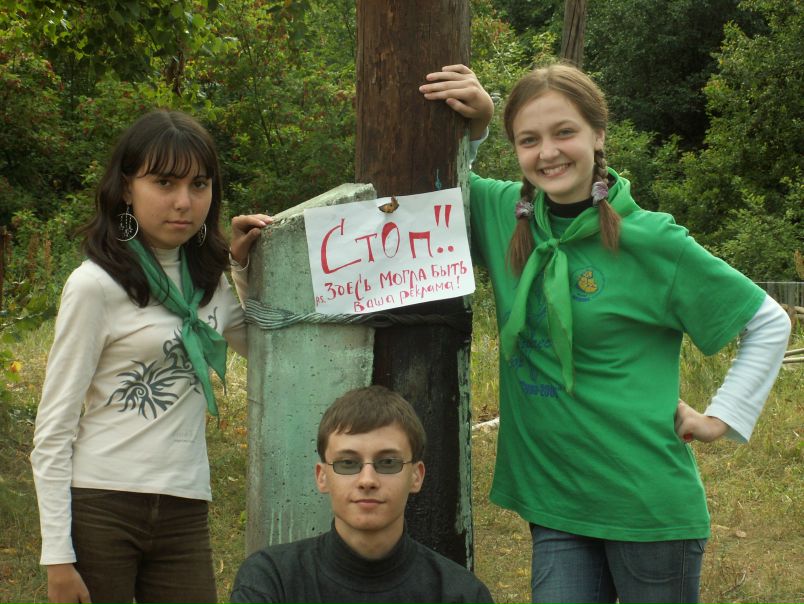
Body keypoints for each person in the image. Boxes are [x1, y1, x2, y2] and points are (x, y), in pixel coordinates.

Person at [418, 64, 791, 604]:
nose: (548, 152)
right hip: (556, 502)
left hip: (647, 510)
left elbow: (768, 321)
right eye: (529, 139)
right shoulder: (505, 215)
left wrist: (722, 416)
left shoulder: (653, 240)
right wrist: (476, 127)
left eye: (564, 132)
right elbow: (433, 194)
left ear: (598, 134)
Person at [30, 109, 272, 604]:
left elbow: (265, 354)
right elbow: (53, 429)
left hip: (185, 504)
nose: (184, 202)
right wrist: (57, 556)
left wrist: (243, 269)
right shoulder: (95, 285)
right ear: (126, 188)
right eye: (164, 182)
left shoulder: (209, 283)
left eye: (199, 184)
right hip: (101, 506)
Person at [230, 385, 495, 604]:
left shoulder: (461, 594)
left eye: (388, 463)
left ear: (416, 476)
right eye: (348, 463)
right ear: (322, 476)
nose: (367, 480)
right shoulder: (271, 581)